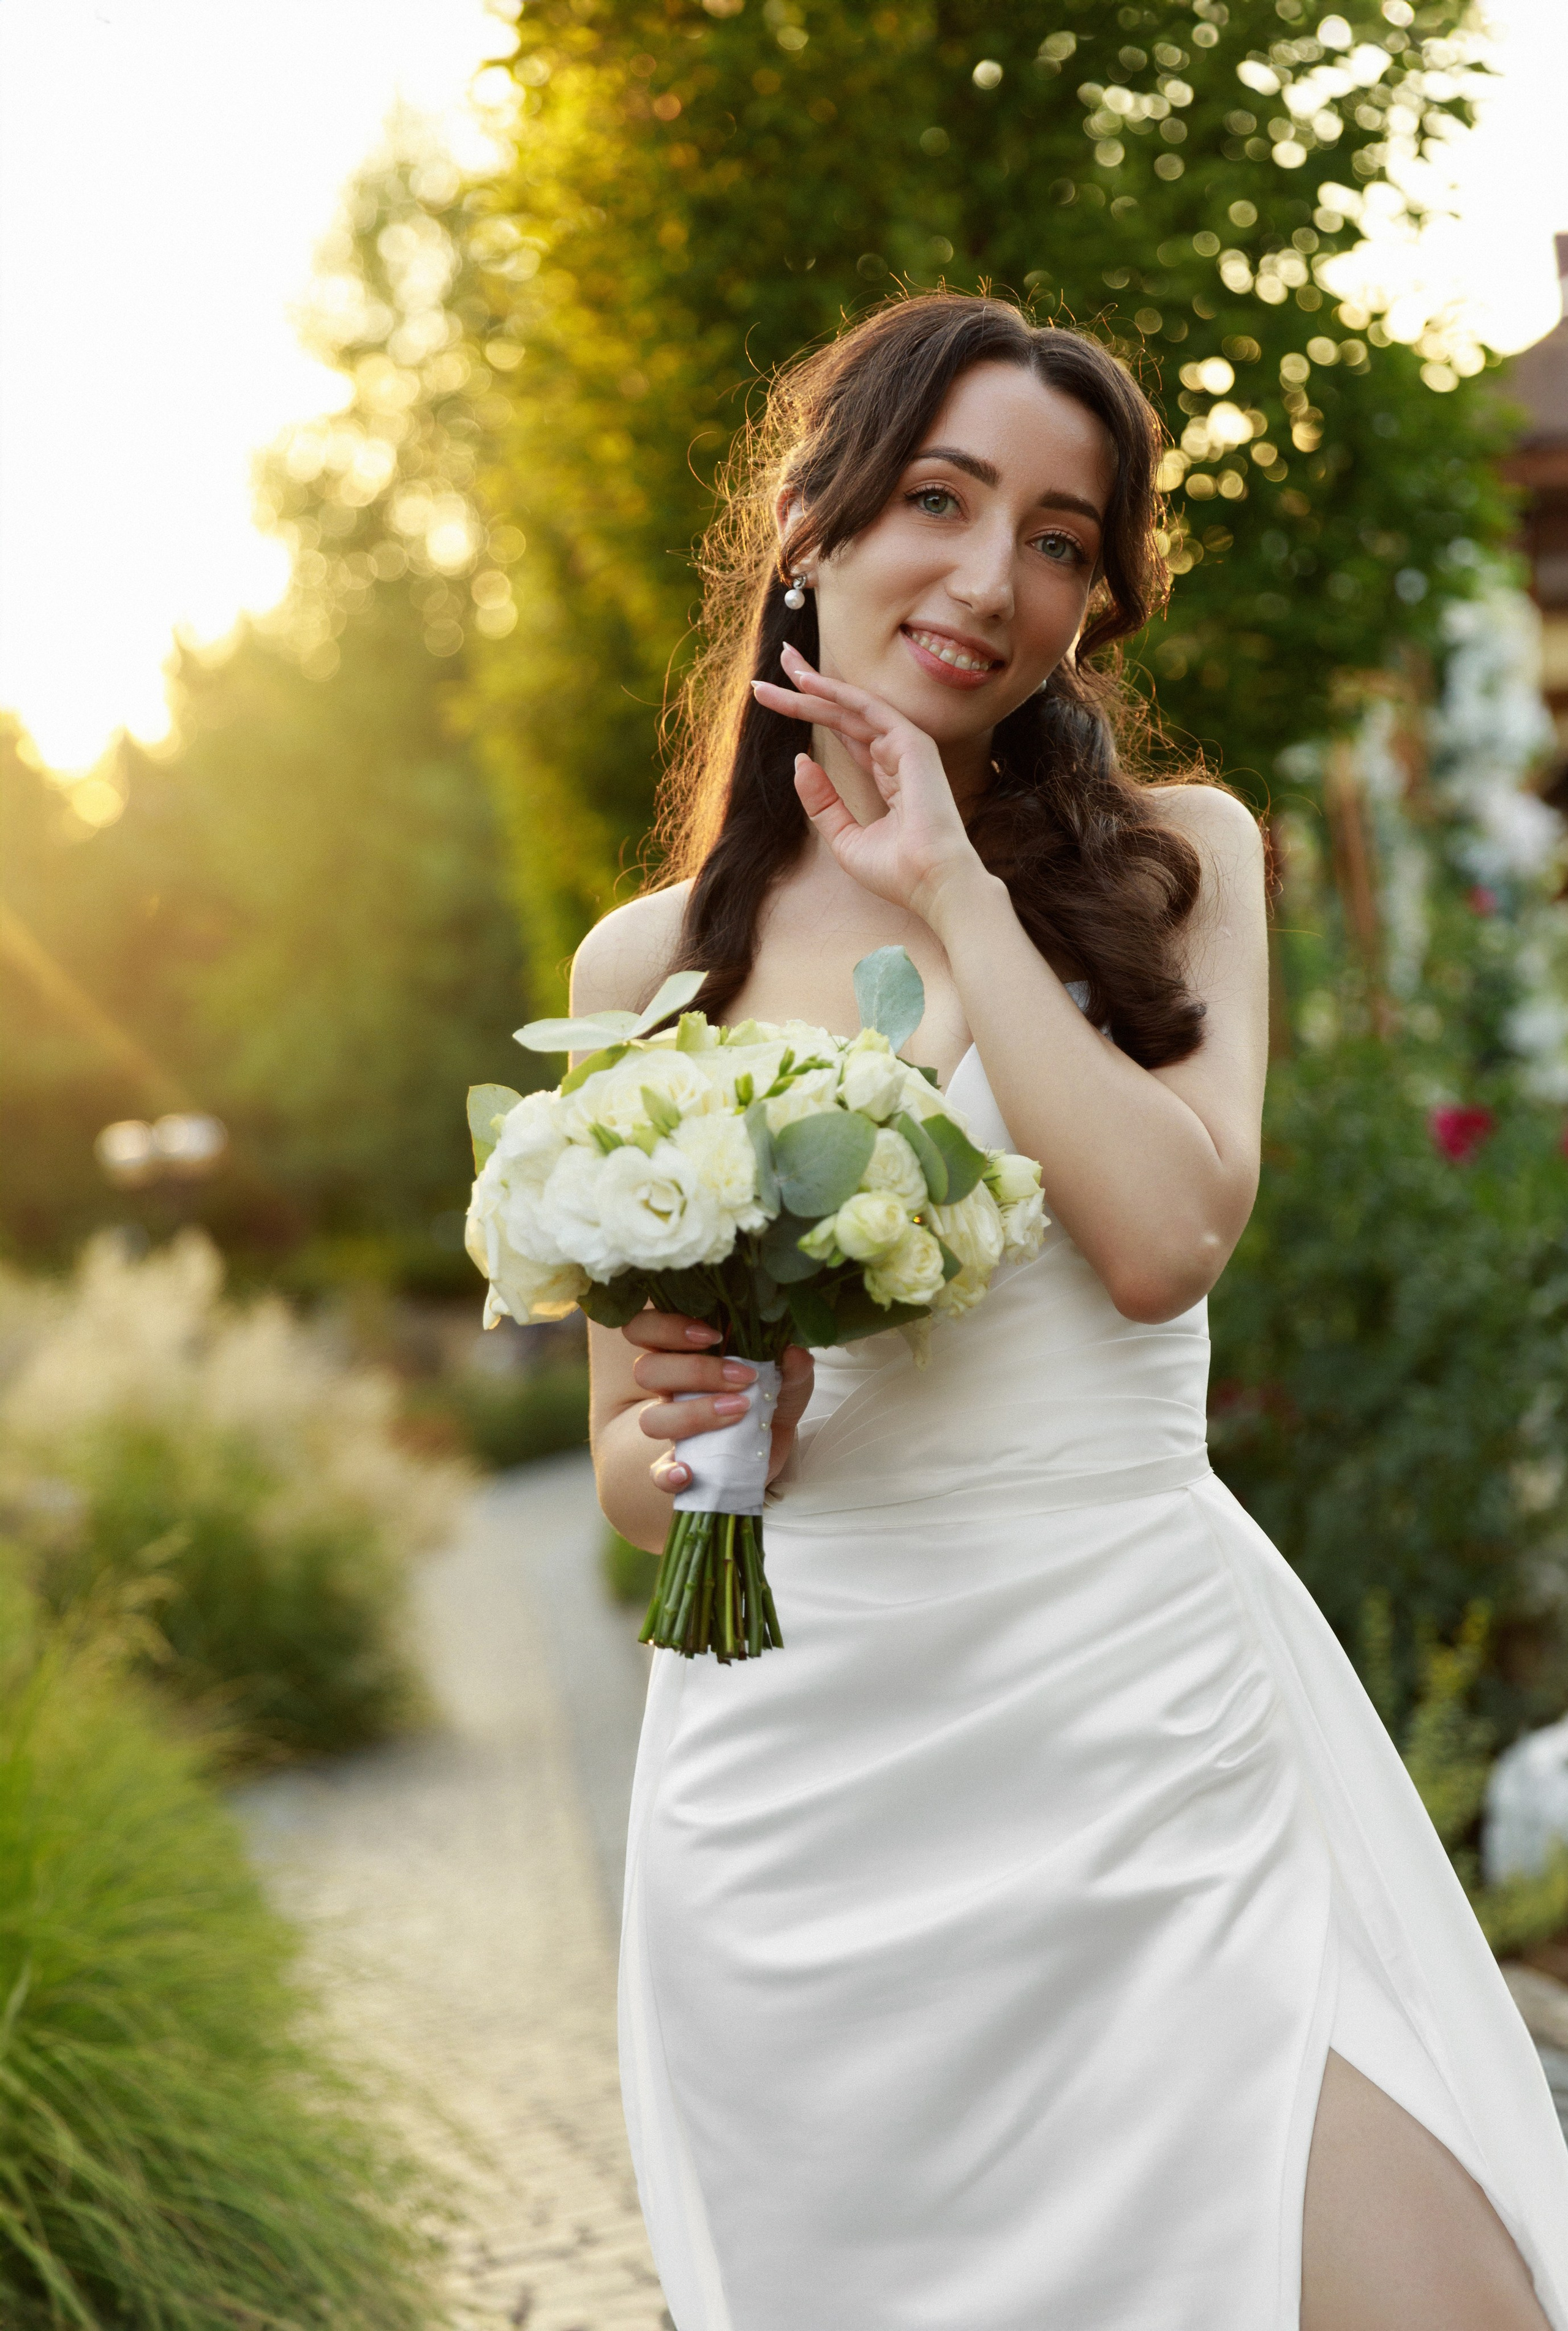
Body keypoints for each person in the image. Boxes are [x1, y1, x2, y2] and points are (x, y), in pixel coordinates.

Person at [576, 292, 1568, 2331]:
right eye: (938, 499)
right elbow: (628, 1473)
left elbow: (1163, 1245)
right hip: (810, 1790)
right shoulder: (645, 966)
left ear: (1097, 602)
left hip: (1143, 1723)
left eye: (1057, 535)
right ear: (815, 526)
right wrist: (673, 1429)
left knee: (1435, 2296)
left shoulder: (1186, 859)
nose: (991, 575)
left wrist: (952, 887)